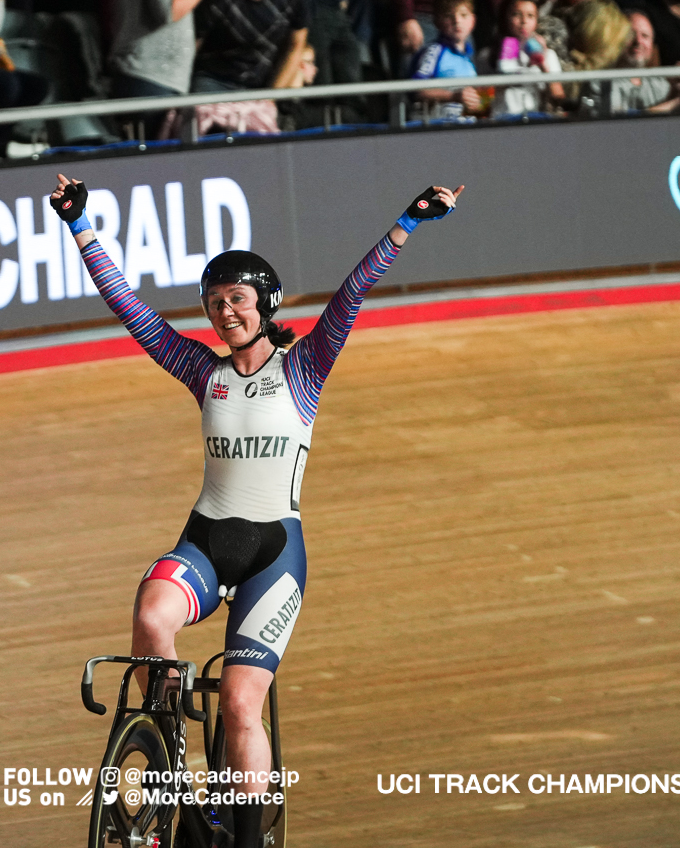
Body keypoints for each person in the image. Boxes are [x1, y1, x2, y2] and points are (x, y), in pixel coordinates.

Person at [48, 169, 459, 848]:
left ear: (264, 303)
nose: (223, 312)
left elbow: (353, 292)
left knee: (242, 704)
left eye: (236, 298)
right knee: (152, 615)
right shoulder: (201, 371)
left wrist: (408, 221)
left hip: (274, 555)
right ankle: (168, 753)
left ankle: (242, 837)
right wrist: (79, 222)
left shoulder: (303, 367)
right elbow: (130, 308)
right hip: (205, 542)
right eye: (213, 302)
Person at [480, 0, 564, 116]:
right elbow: (481, 102)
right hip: (501, 122)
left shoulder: (549, 55)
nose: (524, 21)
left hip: (534, 121)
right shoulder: (488, 54)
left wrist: (543, 65)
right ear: (505, 18)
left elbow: (558, 96)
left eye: (530, 16)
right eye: (516, 14)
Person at [610, 10, 680, 114]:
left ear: (652, 46)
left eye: (645, 36)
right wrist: (674, 102)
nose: (638, 41)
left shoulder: (659, 84)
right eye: (630, 34)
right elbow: (624, 122)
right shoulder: (604, 83)